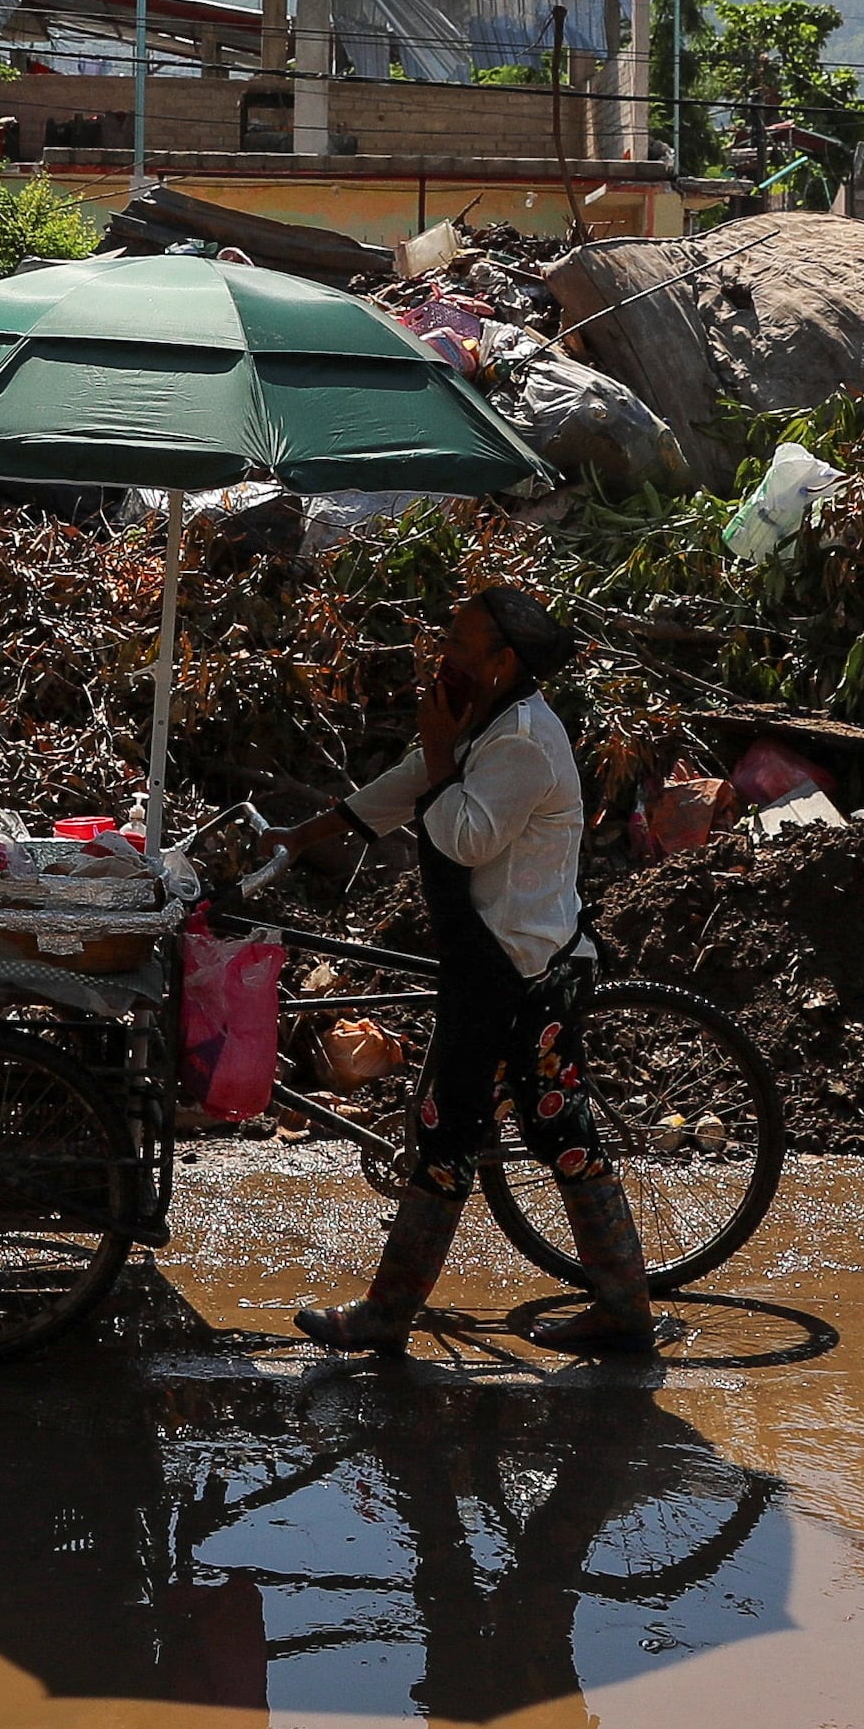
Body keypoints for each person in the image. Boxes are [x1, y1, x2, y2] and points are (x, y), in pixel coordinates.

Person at [273, 583, 657, 1360]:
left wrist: (441, 755)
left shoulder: (522, 739)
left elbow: (466, 837)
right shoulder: (480, 716)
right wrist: (305, 832)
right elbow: (414, 779)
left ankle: (611, 1308)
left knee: (533, 1127)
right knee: (482, 1130)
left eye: (458, 641)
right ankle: (403, 1312)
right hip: (490, 963)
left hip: (526, 968)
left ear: (502, 661)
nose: (441, 651)